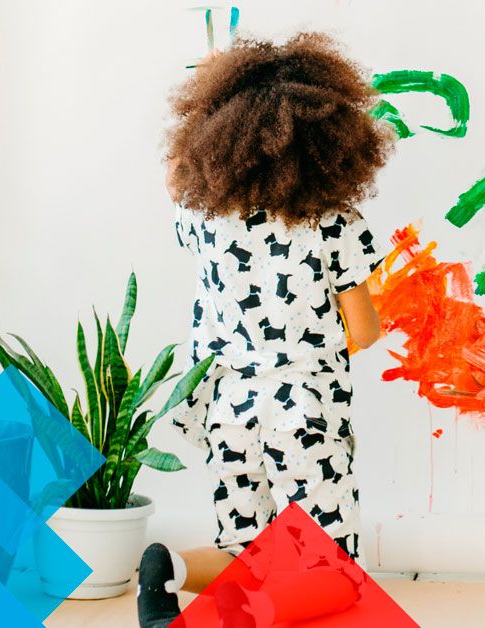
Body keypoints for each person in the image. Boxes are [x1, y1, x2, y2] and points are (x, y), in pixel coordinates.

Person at [137, 32, 394, 628]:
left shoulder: (202, 217)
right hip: (303, 405)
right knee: (336, 575)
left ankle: (166, 568)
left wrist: (200, 108)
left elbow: (176, 179)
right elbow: (366, 328)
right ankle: (245, 617)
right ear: (328, 140)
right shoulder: (334, 221)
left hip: (224, 401)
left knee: (245, 548)